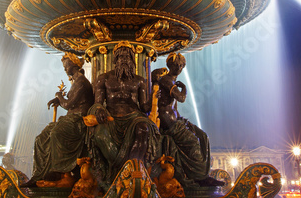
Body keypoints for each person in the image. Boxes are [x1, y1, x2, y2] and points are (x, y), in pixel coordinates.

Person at [88, 41, 160, 185]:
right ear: (115, 60)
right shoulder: (104, 78)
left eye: (128, 57)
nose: (124, 60)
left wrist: (154, 99)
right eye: (121, 57)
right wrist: (100, 110)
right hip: (111, 118)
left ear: (133, 60)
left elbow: (144, 107)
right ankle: (119, 172)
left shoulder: (140, 81)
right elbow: (97, 103)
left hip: (134, 117)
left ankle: (134, 172)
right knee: (100, 135)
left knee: (143, 130)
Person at [21, 53, 94, 188]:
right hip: (69, 119)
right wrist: (59, 100)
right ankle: (39, 175)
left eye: (65, 65)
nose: (65, 69)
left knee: (56, 134)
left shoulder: (82, 82)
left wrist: (59, 95)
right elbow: (69, 104)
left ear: (73, 65)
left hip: (78, 120)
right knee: (40, 138)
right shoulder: (75, 83)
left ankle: (64, 175)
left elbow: (67, 105)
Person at [155, 53, 223, 187]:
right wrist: (184, 88)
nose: (179, 68)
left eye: (181, 65)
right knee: (193, 141)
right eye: (176, 65)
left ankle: (204, 173)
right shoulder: (166, 80)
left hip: (176, 118)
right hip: (168, 120)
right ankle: (198, 177)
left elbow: (174, 103)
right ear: (169, 65)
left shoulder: (172, 81)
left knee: (203, 136)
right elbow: (180, 98)